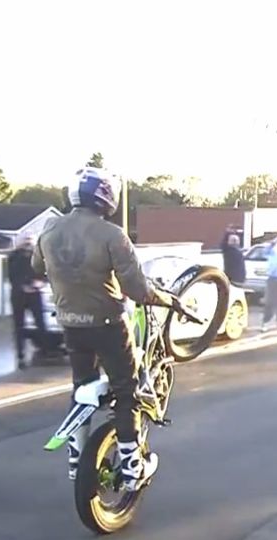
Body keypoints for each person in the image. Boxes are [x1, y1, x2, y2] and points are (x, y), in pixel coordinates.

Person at [33, 167, 178, 490]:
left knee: (81, 384)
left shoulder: (50, 228)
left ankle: (76, 458)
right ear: (106, 196)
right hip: (109, 324)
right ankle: (132, 466)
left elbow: (36, 266)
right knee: (126, 392)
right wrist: (167, 299)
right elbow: (138, 291)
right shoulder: (113, 235)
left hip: (70, 324)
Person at [7, 234, 52, 369]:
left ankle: (45, 350)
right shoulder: (14, 256)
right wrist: (24, 285)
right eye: (25, 240)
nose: (28, 242)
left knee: (41, 323)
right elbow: (12, 276)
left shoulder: (39, 256)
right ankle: (20, 354)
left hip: (35, 294)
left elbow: (46, 272)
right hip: (19, 295)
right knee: (19, 326)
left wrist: (41, 283)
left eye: (30, 240)